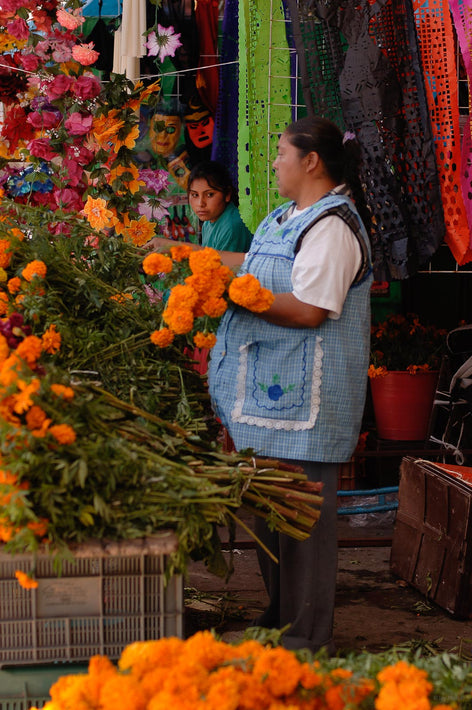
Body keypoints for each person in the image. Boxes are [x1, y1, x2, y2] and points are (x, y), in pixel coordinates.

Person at [207, 116, 373, 654]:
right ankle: (279, 621)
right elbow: (255, 263)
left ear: (311, 161)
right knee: (271, 516)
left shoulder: (333, 226)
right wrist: (201, 261)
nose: (273, 162)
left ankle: (305, 636)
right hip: (270, 396)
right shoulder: (287, 216)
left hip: (310, 401)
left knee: (302, 523)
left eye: (281, 152)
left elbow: (308, 311)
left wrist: (235, 293)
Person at [187, 161, 253, 252]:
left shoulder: (232, 226)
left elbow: (226, 265)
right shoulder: (208, 222)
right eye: (195, 195)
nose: (200, 203)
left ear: (227, 194)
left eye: (210, 194)